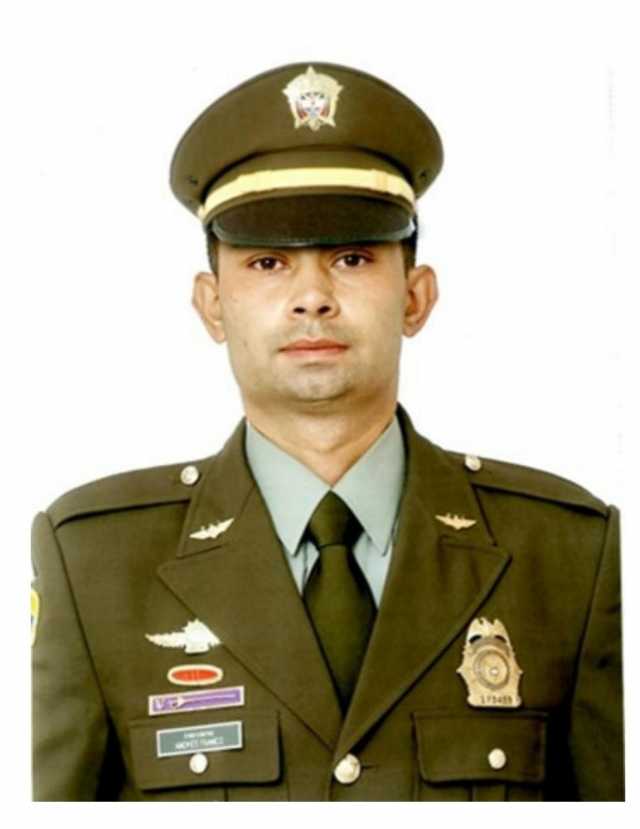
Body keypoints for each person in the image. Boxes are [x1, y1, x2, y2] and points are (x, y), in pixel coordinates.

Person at [31, 61, 623, 802]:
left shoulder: (569, 559)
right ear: (212, 306)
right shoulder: (95, 567)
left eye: (351, 257)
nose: (311, 297)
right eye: (268, 262)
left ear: (415, 297)